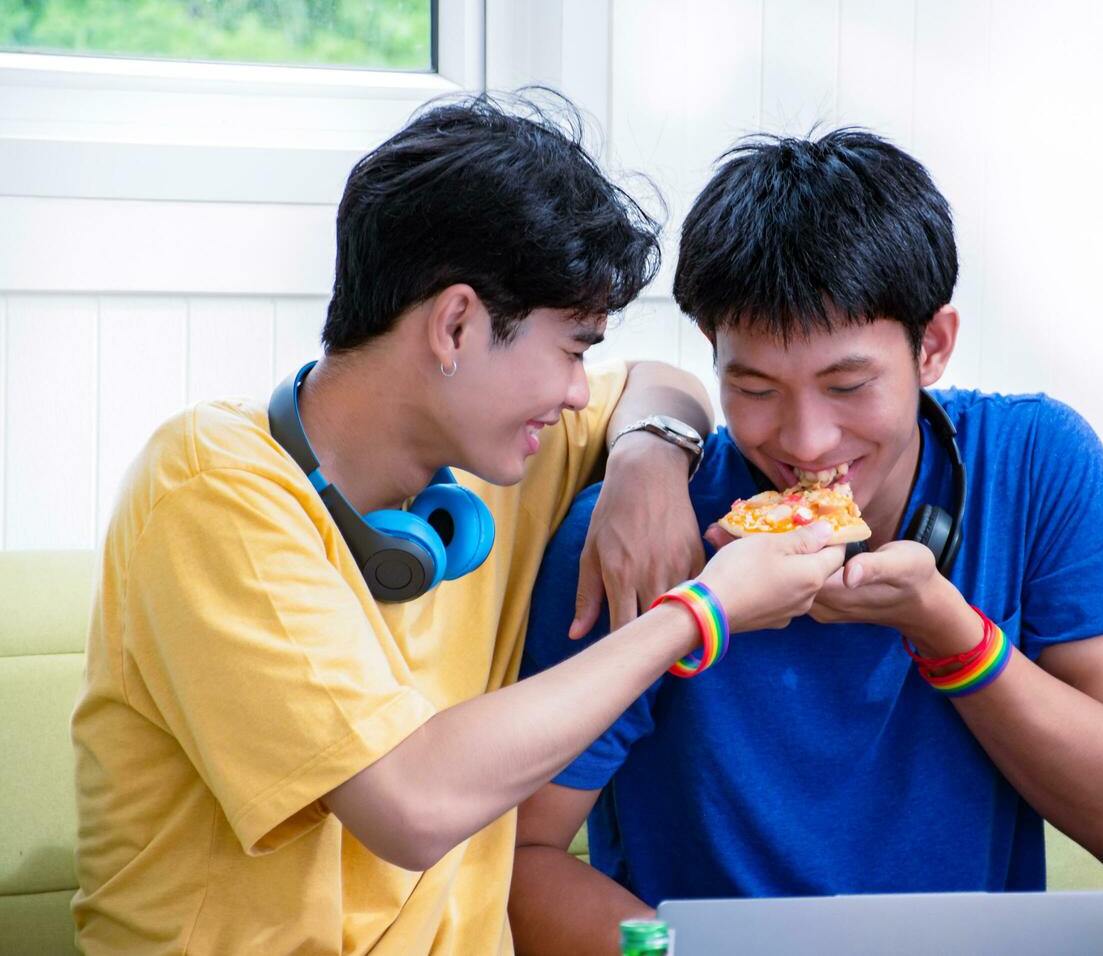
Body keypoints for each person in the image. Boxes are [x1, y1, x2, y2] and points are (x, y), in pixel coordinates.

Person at [70, 92, 848, 954]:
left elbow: (664, 385)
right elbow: (410, 806)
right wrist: (702, 610)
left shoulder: (500, 451)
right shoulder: (207, 485)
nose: (579, 390)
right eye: (573, 348)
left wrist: (647, 460)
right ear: (455, 324)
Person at [511, 128, 1103, 955]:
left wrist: (947, 630)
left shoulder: (1038, 464)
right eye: (753, 388)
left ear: (932, 345)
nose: (805, 441)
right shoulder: (644, 535)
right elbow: (519, 858)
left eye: (848, 385)